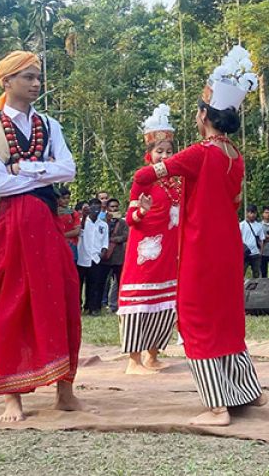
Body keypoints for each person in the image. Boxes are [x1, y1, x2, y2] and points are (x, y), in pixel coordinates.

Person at [131, 45, 265, 426]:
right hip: (227, 246)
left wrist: (141, 186)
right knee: (225, 317)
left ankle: (217, 406)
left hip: (200, 247)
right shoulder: (234, 154)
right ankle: (246, 391)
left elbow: (147, 175)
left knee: (195, 317)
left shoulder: (199, 152)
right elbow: (234, 196)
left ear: (205, 114)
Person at [0, 50, 84, 422]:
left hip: (45, 226)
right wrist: (42, 173)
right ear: (6, 82)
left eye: (37, 77)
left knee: (61, 297)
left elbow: (69, 170)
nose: (35, 84)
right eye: (27, 77)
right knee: (8, 305)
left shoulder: (51, 126)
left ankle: (65, 389)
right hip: (5, 228)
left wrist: (25, 167)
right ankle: (11, 394)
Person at [119, 104, 181, 375]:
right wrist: (142, 209)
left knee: (164, 304)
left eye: (168, 151)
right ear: (149, 154)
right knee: (139, 304)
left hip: (170, 252)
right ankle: (134, 361)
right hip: (144, 251)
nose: (164, 156)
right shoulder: (143, 181)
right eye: (159, 151)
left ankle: (153, 355)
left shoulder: (178, 181)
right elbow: (130, 218)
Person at [76, 198, 109, 315]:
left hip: (96, 257)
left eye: (98, 207)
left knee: (94, 284)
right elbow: (80, 231)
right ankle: (78, 306)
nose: (96, 209)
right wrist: (84, 217)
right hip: (82, 257)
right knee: (79, 285)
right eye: (93, 206)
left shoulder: (103, 225)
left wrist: (103, 251)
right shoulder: (83, 221)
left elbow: (105, 241)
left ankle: (92, 307)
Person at [100, 197, 128, 311]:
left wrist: (114, 239)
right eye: (112, 206)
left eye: (116, 206)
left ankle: (116, 304)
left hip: (118, 256)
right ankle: (101, 303)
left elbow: (126, 236)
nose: (114, 208)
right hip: (105, 255)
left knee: (119, 281)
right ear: (107, 208)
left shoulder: (122, 222)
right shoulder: (102, 221)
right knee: (103, 281)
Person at [55, 186, 83, 264]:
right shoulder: (52, 213)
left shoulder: (73, 213)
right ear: (57, 199)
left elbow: (77, 231)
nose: (66, 200)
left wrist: (60, 235)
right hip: (56, 246)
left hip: (71, 246)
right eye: (63, 198)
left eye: (68, 198)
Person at [240, 205, 264, 278]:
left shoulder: (259, 225)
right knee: (241, 273)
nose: (252, 215)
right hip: (245, 253)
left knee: (256, 274)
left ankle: (256, 289)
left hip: (255, 253)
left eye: (254, 213)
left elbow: (261, 240)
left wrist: (261, 253)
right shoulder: (241, 225)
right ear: (247, 213)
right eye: (251, 213)